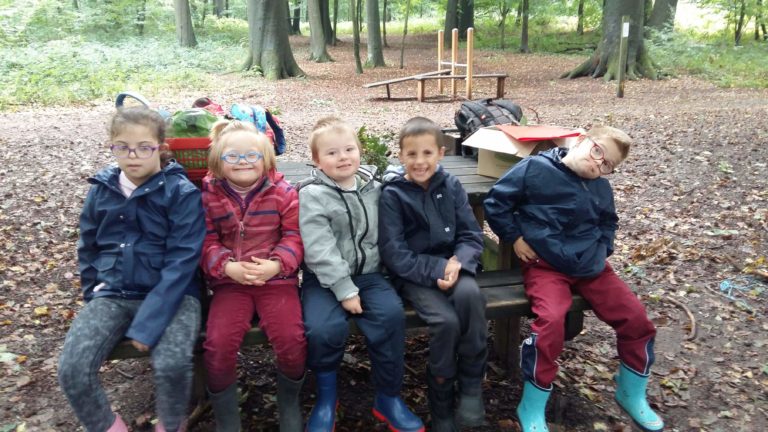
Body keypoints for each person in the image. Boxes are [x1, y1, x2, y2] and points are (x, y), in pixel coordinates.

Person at [484, 126, 663, 432]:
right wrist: (514, 237)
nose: (598, 164)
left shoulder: (600, 188)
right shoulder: (534, 168)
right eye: (597, 151)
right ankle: (532, 404)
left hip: (591, 267)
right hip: (545, 264)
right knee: (551, 321)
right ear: (581, 141)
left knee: (636, 319)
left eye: (607, 165)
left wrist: (603, 248)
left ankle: (631, 392)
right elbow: (496, 203)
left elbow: (608, 222)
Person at [58, 107, 206, 432]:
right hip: (114, 293)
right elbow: (88, 246)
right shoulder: (102, 189)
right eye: (122, 147)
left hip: (175, 296)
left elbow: (183, 260)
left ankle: (171, 424)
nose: (133, 155)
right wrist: (93, 293)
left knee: (171, 364)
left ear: (161, 148)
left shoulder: (181, 193)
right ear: (111, 146)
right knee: (73, 367)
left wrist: (149, 322)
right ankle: (109, 426)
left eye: (143, 147)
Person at [298, 117, 424, 432]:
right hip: (323, 280)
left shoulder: (375, 189)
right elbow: (319, 248)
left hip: (369, 275)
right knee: (322, 329)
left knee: (390, 316)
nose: (342, 157)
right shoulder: (312, 195)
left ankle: (388, 397)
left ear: (359, 151)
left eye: (349, 149)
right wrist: (344, 289)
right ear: (317, 161)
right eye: (331, 153)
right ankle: (327, 399)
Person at [378, 117, 488, 431]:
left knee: (471, 297)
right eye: (411, 154)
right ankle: (441, 402)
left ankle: (471, 386)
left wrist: (458, 261)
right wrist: (438, 269)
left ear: (441, 153)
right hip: (413, 274)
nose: (420, 161)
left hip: (454, 266)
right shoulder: (393, 195)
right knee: (446, 322)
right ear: (401, 155)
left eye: (427, 153)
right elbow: (394, 253)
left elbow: (471, 235)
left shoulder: (451, 185)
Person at [199, 120, 306, 432]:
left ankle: (288, 401)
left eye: (251, 156)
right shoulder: (208, 197)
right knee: (218, 345)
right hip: (231, 284)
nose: (243, 162)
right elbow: (205, 241)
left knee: (292, 340)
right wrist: (227, 266)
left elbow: (294, 236)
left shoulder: (283, 193)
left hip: (276, 282)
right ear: (218, 162)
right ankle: (226, 417)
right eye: (232, 156)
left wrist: (276, 265)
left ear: (266, 159)